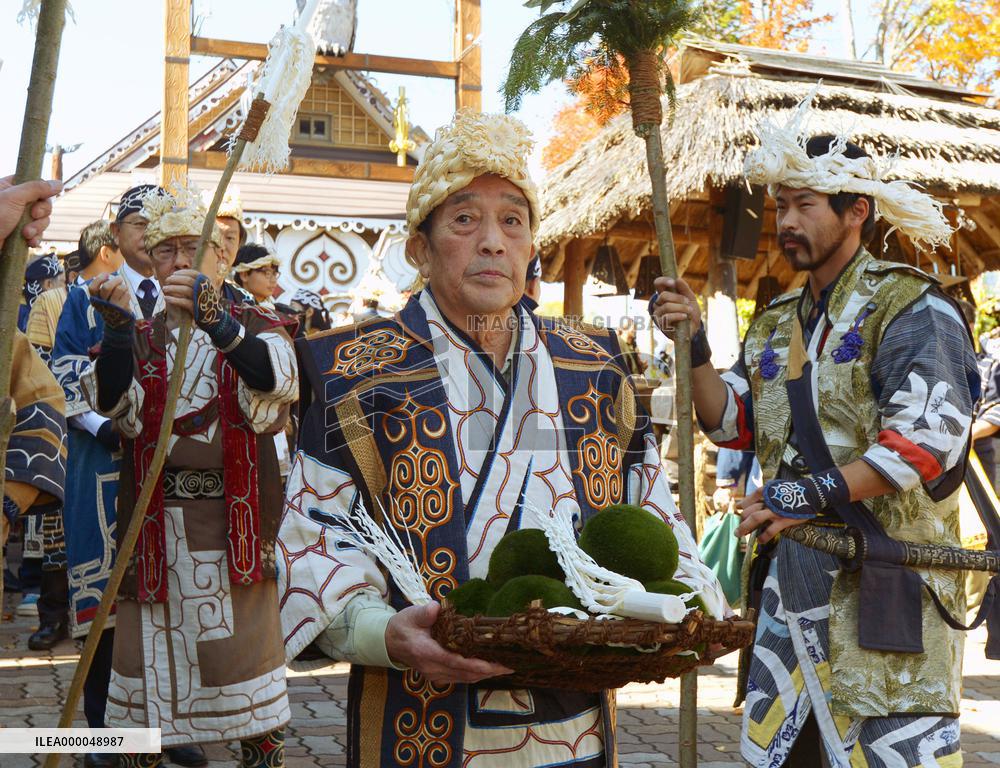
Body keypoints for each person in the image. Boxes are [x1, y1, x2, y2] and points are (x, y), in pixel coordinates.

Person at [278, 109, 727, 767]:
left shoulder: (593, 366)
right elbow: (315, 539)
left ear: (530, 245)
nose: (492, 241)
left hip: (574, 720)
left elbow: (650, 510)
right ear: (419, 248)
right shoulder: (356, 374)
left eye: (512, 220)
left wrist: (688, 603)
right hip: (423, 716)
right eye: (465, 219)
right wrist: (382, 634)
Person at [650, 96, 978, 767]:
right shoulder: (774, 321)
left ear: (856, 210)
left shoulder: (913, 307)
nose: (787, 220)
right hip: (793, 594)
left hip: (888, 591)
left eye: (806, 204)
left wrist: (797, 497)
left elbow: (924, 443)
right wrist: (695, 350)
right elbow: (731, 421)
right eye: (781, 206)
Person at [83, 184, 297, 767]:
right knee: (147, 692)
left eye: (192, 248)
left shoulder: (256, 321)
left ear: (220, 257)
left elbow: (274, 384)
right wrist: (121, 337)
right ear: (150, 261)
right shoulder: (145, 332)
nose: (179, 261)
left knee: (248, 686)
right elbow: (111, 406)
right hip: (152, 532)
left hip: (230, 532)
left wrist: (219, 325)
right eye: (167, 250)